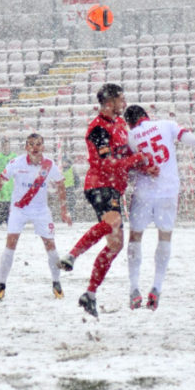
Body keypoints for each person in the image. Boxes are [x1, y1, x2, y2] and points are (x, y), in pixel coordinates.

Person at [58, 83, 157, 317]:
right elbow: (107, 163)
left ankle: (89, 294)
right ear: (110, 102)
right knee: (112, 223)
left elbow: (127, 156)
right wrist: (137, 160)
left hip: (115, 187)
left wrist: (144, 165)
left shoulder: (121, 125)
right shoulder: (98, 129)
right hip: (99, 184)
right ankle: (72, 255)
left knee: (115, 245)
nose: (124, 104)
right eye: (121, 99)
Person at [123, 105, 195, 311]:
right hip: (168, 190)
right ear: (146, 116)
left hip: (143, 192)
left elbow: (127, 164)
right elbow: (190, 140)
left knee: (135, 238)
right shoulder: (166, 124)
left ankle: (134, 288)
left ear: (130, 122)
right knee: (165, 236)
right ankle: (156, 287)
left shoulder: (130, 135)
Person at [0, 133, 72, 300]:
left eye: (38, 144)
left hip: (41, 210)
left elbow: (60, 184)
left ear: (43, 147)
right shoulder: (16, 163)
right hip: (19, 209)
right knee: (10, 242)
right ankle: (1, 285)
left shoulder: (49, 165)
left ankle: (56, 283)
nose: (35, 147)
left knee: (50, 245)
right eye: (31, 144)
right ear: (26, 147)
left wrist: (63, 210)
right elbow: (0, 181)